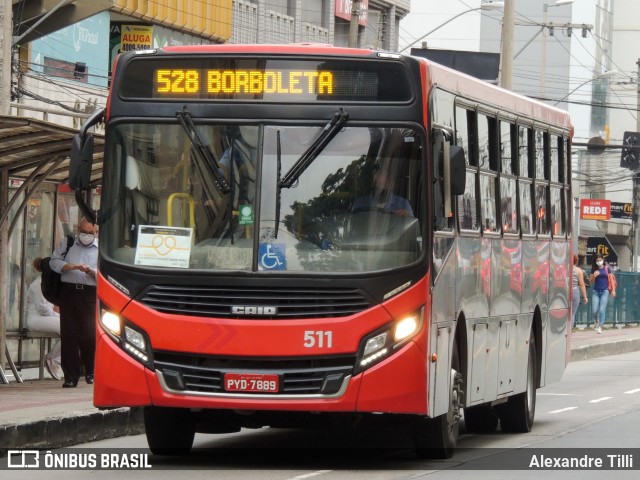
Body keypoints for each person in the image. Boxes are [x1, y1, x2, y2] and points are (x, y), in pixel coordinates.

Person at [49, 218, 98, 387]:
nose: (86, 235)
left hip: (90, 293)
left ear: (96, 233)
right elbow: (53, 262)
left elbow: (106, 274)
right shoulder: (68, 243)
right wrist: (69, 266)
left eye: (90, 233)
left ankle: (91, 371)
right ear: (78, 230)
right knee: (68, 334)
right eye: (83, 231)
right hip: (69, 292)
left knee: (90, 333)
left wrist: (91, 271)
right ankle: (71, 376)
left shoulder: (101, 248)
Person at [25, 257, 62, 380]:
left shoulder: (46, 283)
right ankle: (52, 358)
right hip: (36, 319)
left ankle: (55, 359)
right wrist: (59, 316)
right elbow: (42, 309)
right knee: (68, 329)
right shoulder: (38, 284)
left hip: (44, 317)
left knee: (71, 328)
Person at [589, 255, 616, 334]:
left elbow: (611, 280)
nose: (599, 262)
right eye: (597, 260)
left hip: (605, 291)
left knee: (602, 310)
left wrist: (613, 290)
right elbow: (590, 280)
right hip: (596, 291)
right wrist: (594, 276)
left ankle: (600, 327)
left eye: (600, 260)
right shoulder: (594, 269)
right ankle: (596, 321)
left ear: (603, 260)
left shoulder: (607, 268)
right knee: (594, 310)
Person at [571, 254, 588, 329]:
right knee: (572, 313)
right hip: (574, 291)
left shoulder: (563, 268)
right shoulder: (578, 270)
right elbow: (581, 284)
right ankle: (569, 330)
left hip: (564, 291)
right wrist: (585, 296)